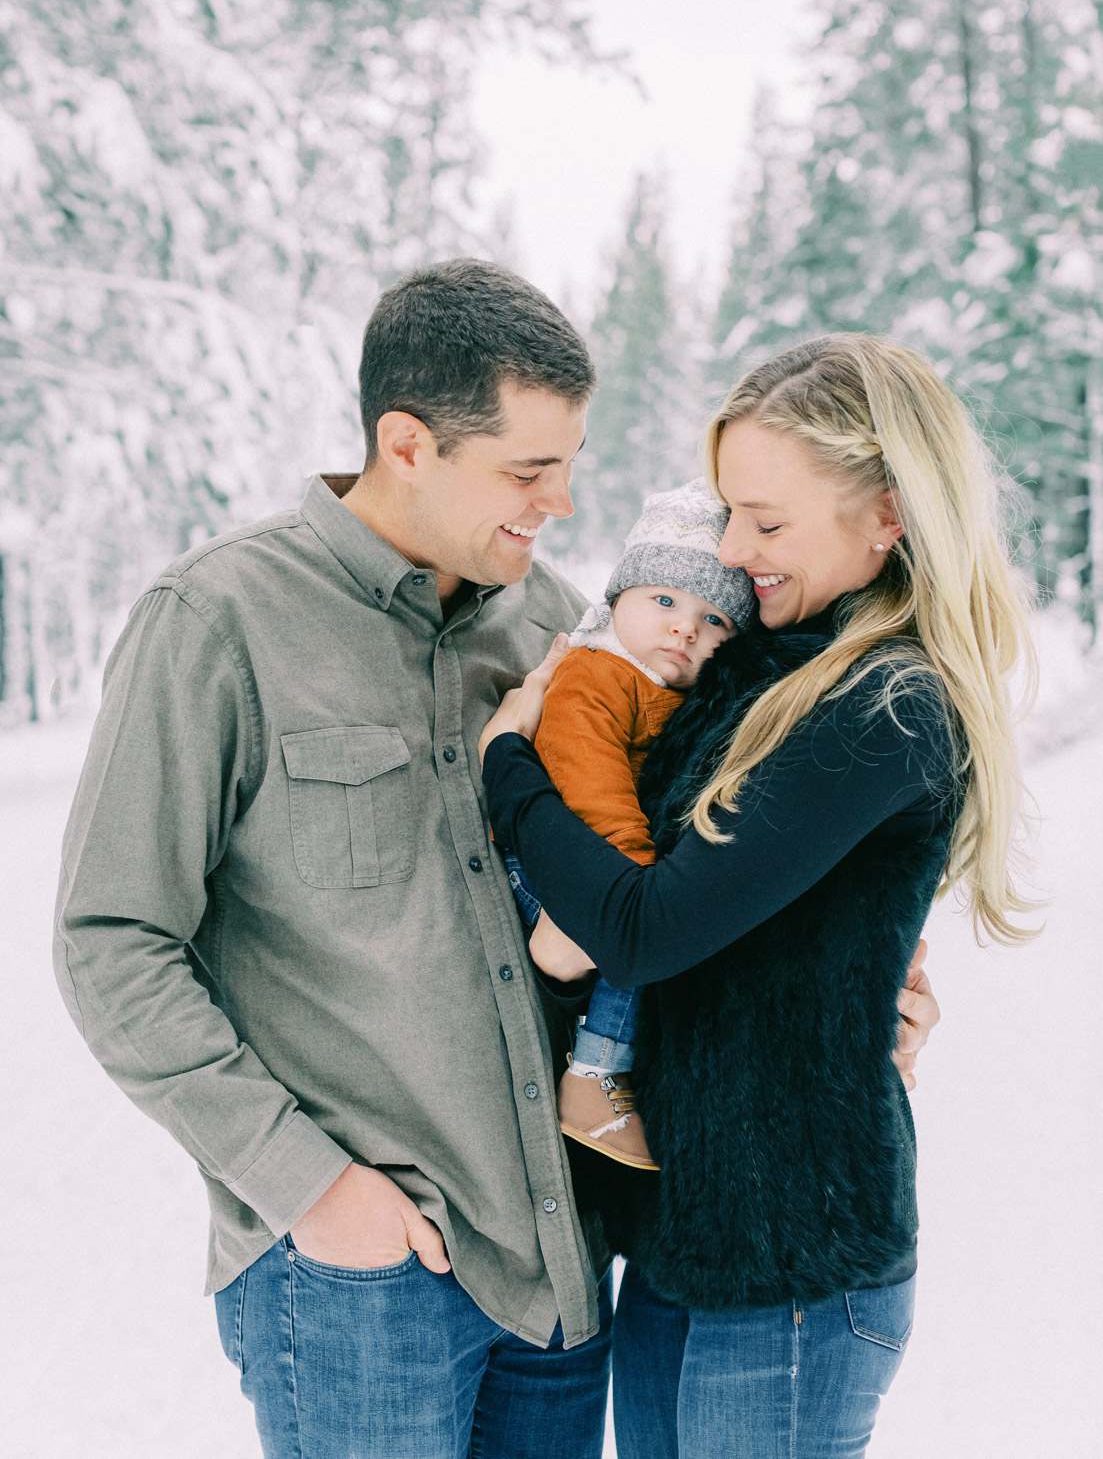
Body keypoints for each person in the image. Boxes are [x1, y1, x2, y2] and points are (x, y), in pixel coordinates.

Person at [53, 262, 939, 1459]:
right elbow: (113, 941)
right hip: (367, 1272)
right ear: (406, 443)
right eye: (529, 471)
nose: (561, 503)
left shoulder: (561, 627)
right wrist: (309, 1186)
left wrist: (861, 970)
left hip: (558, 1272)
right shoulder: (219, 622)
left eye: (569, 463)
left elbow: (695, 864)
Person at [479, 333, 1034, 1457]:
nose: (734, 550)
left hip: (790, 1256)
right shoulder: (756, 660)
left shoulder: (887, 705)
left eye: (765, 524)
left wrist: (507, 772)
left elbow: (646, 924)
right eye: (730, 512)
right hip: (680, 1241)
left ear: (886, 513)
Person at [504, 477, 755, 1169]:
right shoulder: (596, 674)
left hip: (601, 859)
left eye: (714, 621)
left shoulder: (672, 695)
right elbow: (584, 774)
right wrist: (633, 872)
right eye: (665, 601)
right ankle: (596, 1075)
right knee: (636, 942)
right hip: (556, 861)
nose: (684, 626)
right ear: (618, 601)